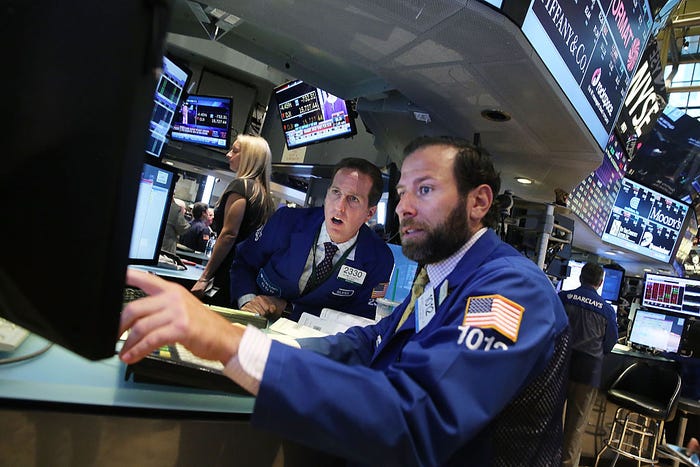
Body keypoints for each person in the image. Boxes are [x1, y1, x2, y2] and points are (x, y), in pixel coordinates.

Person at [120, 135, 570, 466]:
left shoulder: (510, 289)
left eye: (425, 190)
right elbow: (371, 342)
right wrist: (245, 343)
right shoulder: (442, 276)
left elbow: (419, 420)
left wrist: (237, 348)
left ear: (479, 203)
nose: (404, 207)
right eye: (403, 192)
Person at [230, 157, 393, 321]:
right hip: (255, 320)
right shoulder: (286, 221)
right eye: (336, 192)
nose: (339, 207)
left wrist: (289, 311)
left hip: (314, 340)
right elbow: (244, 262)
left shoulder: (380, 259)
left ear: (369, 213)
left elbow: (361, 318)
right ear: (327, 193)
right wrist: (248, 302)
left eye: (353, 199)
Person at [190, 134, 276, 307]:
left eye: (235, 151)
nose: (228, 154)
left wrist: (205, 276)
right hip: (247, 279)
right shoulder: (266, 198)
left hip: (228, 273)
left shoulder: (241, 187)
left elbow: (229, 234)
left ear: (249, 158)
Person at [559, 262, 618, 467]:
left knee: (549, 418)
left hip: (559, 368)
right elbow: (609, 344)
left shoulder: (563, 297)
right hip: (588, 373)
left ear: (580, 277)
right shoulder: (607, 310)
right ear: (600, 282)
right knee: (575, 427)